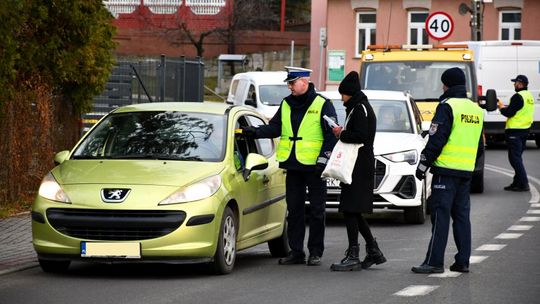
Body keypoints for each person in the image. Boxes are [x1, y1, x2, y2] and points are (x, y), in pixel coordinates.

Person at [241, 66, 338, 266]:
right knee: (294, 210)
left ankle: (315, 252)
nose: (290, 87)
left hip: (315, 167)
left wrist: (323, 159)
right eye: (289, 83)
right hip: (293, 165)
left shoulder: (323, 104)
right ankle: (296, 251)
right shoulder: (286, 103)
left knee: (317, 211)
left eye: (292, 83)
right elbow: (275, 127)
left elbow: (331, 136)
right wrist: (255, 132)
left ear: (305, 81)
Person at [412, 67, 484, 274]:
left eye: (443, 83)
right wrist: (468, 163)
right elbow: (479, 146)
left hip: (445, 171)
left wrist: (423, 164)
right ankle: (462, 261)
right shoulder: (475, 109)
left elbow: (436, 139)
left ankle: (434, 262)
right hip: (465, 172)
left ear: (447, 84)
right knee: (462, 217)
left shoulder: (447, 106)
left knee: (440, 216)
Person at [329, 71, 386, 271]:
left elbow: (360, 136)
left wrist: (341, 133)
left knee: (350, 209)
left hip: (358, 166)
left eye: (343, 94)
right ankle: (373, 250)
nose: (341, 98)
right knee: (352, 209)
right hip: (358, 164)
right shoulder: (359, 107)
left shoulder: (360, 108)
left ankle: (354, 254)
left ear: (350, 93)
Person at [498, 74, 534, 192]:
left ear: (520, 83)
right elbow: (520, 110)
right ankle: (517, 182)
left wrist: (501, 108)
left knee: (514, 159)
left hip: (515, 131)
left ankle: (524, 183)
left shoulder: (517, 96)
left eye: (515, 82)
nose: (514, 84)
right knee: (517, 157)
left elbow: (510, 113)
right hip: (525, 130)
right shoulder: (529, 96)